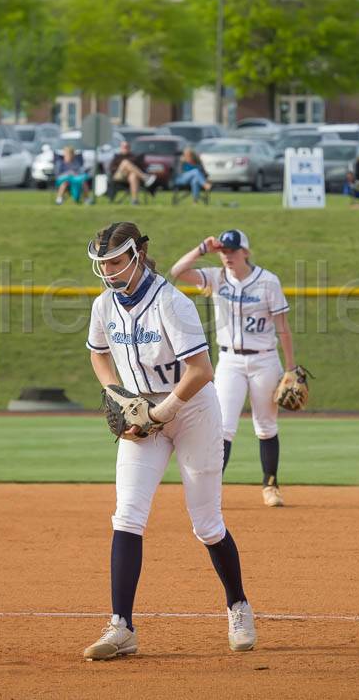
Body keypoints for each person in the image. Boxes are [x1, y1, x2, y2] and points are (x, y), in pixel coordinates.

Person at [83, 222, 256, 660]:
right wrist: (116, 394)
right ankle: (122, 626)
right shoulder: (104, 305)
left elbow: (201, 371)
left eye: (116, 261)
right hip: (142, 413)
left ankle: (238, 605)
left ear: (138, 255)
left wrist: (161, 413)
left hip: (193, 409)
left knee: (206, 523)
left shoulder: (170, 303)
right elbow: (97, 353)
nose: (108, 270)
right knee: (127, 515)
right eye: (102, 263)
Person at [169, 229, 296, 507]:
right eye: (223, 251)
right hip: (229, 361)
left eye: (233, 250)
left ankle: (270, 486)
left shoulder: (268, 282)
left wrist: (291, 368)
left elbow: (283, 328)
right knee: (223, 427)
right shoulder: (216, 278)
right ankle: (212, 491)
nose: (227, 255)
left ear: (246, 252)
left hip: (264, 360)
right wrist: (203, 248)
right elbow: (177, 271)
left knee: (265, 425)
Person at [109, 140, 156, 205]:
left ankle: (134, 200)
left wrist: (130, 169)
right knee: (125, 162)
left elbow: (141, 167)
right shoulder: (117, 157)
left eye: (127, 146)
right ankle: (145, 178)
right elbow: (112, 169)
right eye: (124, 147)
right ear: (121, 147)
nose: (125, 148)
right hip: (118, 176)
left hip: (129, 178)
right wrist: (124, 168)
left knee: (133, 176)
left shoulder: (134, 157)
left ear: (129, 148)